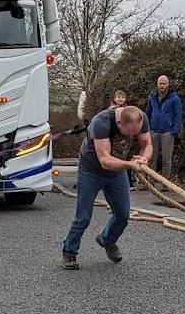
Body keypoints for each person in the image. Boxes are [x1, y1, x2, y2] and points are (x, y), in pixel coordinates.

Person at [61, 105, 151, 270]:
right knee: (83, 217)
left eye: (134, 133)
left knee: (123, 214)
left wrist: (144, 158)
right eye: (128, 133)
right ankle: (69, 250)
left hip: (117, 173)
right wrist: (130, 164)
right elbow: (105, 160)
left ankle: (107, 240)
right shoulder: (101, 123)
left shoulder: (140, 118)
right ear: (119, 122)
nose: (132, 138)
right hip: (91, 170)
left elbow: (147, 143)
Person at [145, 74, 182, 178]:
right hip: (154, 131)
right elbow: (148, 112)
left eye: (164, 83)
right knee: (152, 158)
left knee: (166, 159)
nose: (162, 86)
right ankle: (150, 180)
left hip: (168, 132)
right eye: (160, 83)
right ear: (157, 84)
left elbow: (178, 115)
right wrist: (148, 128)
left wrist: (174, 130)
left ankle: (166, 182)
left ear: (168, 84)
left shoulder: (174, 98)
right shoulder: (152, 97)